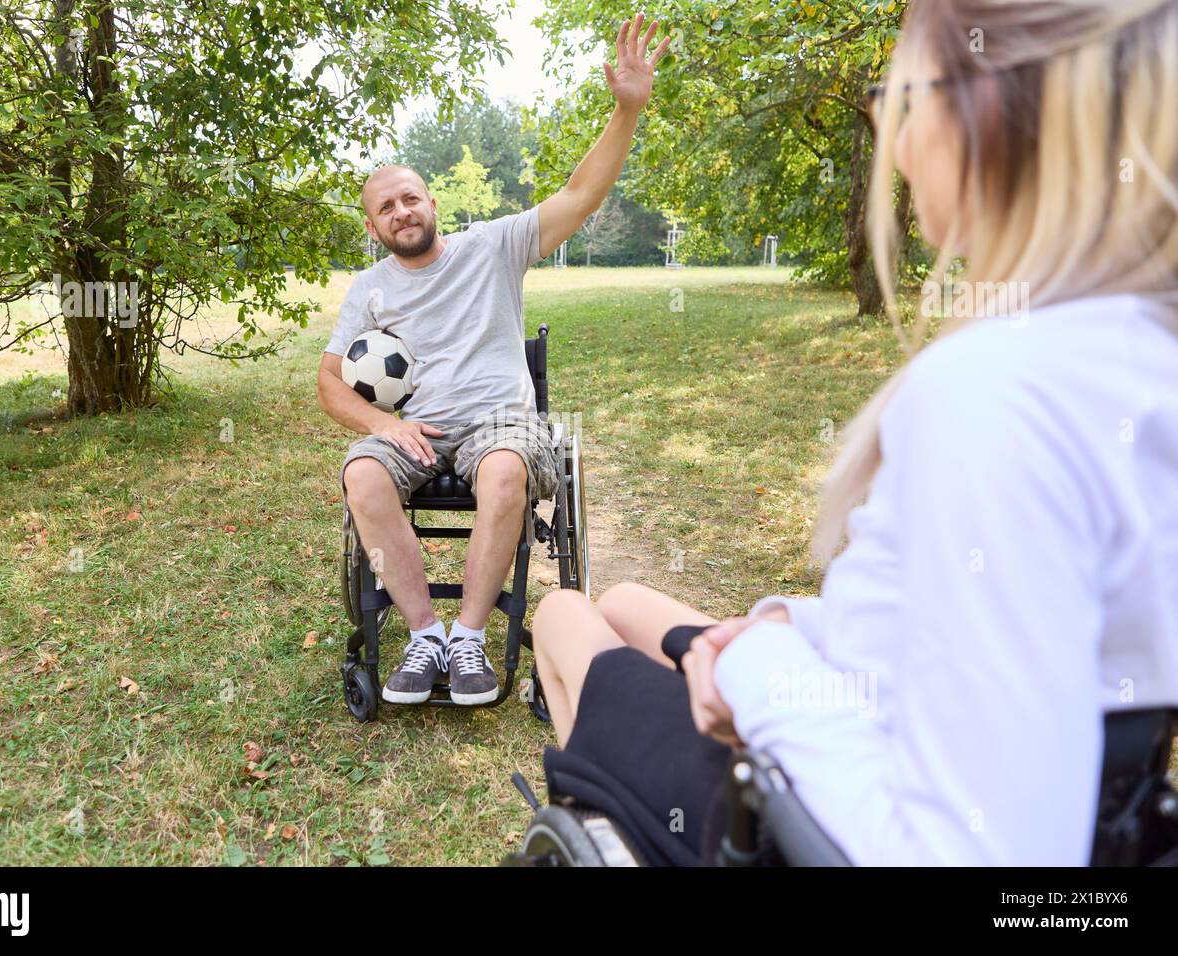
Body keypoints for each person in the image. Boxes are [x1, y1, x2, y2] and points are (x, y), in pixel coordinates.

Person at [530, 0, 1178, 865]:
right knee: (621, 603)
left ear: (982, 108)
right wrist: (773, 630)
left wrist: (755, 676)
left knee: (563, 615)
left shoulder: (997, 389)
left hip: (804, 820)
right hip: (1052, 784)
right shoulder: (1139, 356)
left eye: (900, 96)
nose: (898, 142)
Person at [319, 15, 673, 705]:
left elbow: (579, 194)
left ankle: (469, 640)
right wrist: (383, 426)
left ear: (433, 203)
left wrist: (626, 110)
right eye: (385, 207)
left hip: (498, 426)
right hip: (418, 432)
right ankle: (424, 637)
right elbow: (330, 385)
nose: (401, 211)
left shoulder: (494, 247)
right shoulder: (369, 290)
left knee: (507, 469)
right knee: (362, 473)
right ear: (372, 227)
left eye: (410, 197)